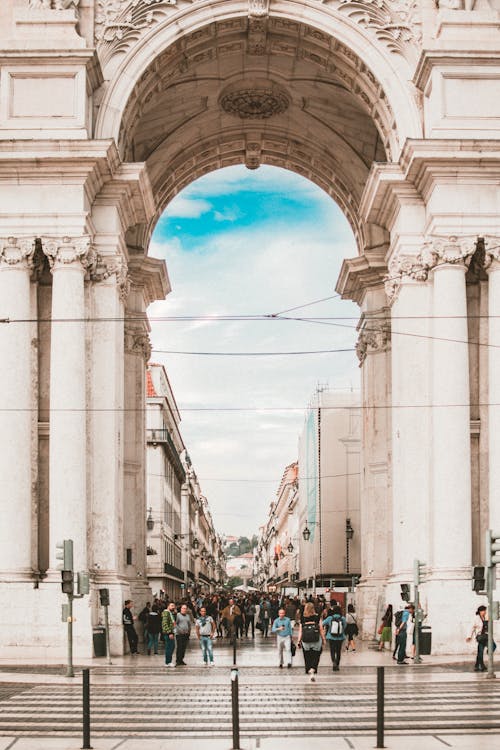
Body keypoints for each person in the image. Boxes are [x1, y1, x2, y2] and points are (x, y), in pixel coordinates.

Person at [298, 601, 325, 681]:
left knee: (307, 656)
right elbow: (321, 629)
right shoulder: (317, 617)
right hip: (316, 639)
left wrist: (299, 640)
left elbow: (300, 631)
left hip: (305, 640)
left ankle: (309, 670)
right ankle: (313, 668)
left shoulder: (302, 618)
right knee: (316, 655)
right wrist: (323, 639)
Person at [466, 605, 497, 672]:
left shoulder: (485, 617)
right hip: (481, 637)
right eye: (484, 610)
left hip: (486, 636)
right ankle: (481, 666)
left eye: (485, 610)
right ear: (480, 611)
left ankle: (478, 665)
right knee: (480, 651)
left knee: (493, 646)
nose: (485, 612)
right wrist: (469, 636)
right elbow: (472, 627)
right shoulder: (476, 618)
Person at [323, 604, 346, 671]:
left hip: (331, 637)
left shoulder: (330, 618)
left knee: (332, 651)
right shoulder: (343, 618)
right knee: (338, 651)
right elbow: (344, 627)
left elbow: (322, 623)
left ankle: (334, 662)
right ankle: (337, 664)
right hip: (340, 637)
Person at [162, 601, 176, 666]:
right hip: (168, 633)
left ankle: (168, 661)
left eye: (174, 606)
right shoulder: (166, 613)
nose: (173, 607)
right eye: (172, 605)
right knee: (169, 647)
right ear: (168, 606)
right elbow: (164, 623)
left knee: (171, 646)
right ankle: (168, 662)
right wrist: (169, 632)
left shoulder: (170, 613)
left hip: (171, 632)